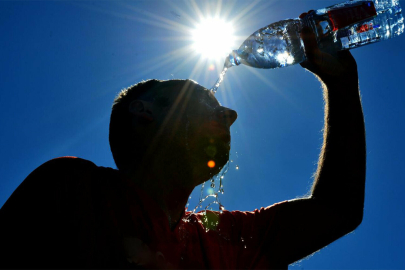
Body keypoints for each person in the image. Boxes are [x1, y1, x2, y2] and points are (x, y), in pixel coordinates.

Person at [0, 22, 366, 268]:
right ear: (144, 113)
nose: (231, 114)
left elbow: (336, 210)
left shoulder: (222, 237)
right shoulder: (75, 189)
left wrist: (343, 85)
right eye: (206, 101)